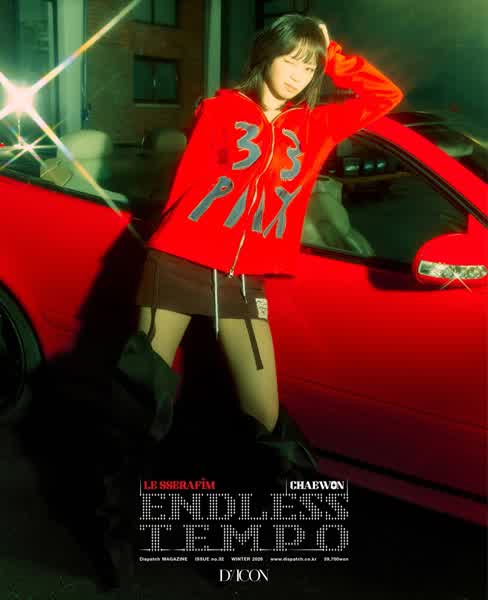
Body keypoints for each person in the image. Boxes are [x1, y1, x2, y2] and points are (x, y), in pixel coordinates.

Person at [135, 13, 403, 457]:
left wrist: (331, 52)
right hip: (179, 262)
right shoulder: (219, 110)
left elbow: (386, 95)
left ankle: (268, 499)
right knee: (142, 395)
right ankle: (133, 496)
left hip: (243, 279)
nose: (299, 75)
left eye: (309, 67)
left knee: (263, 411)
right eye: (290, 60)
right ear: (266, 55)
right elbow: (182, 186)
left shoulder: (317, 125)